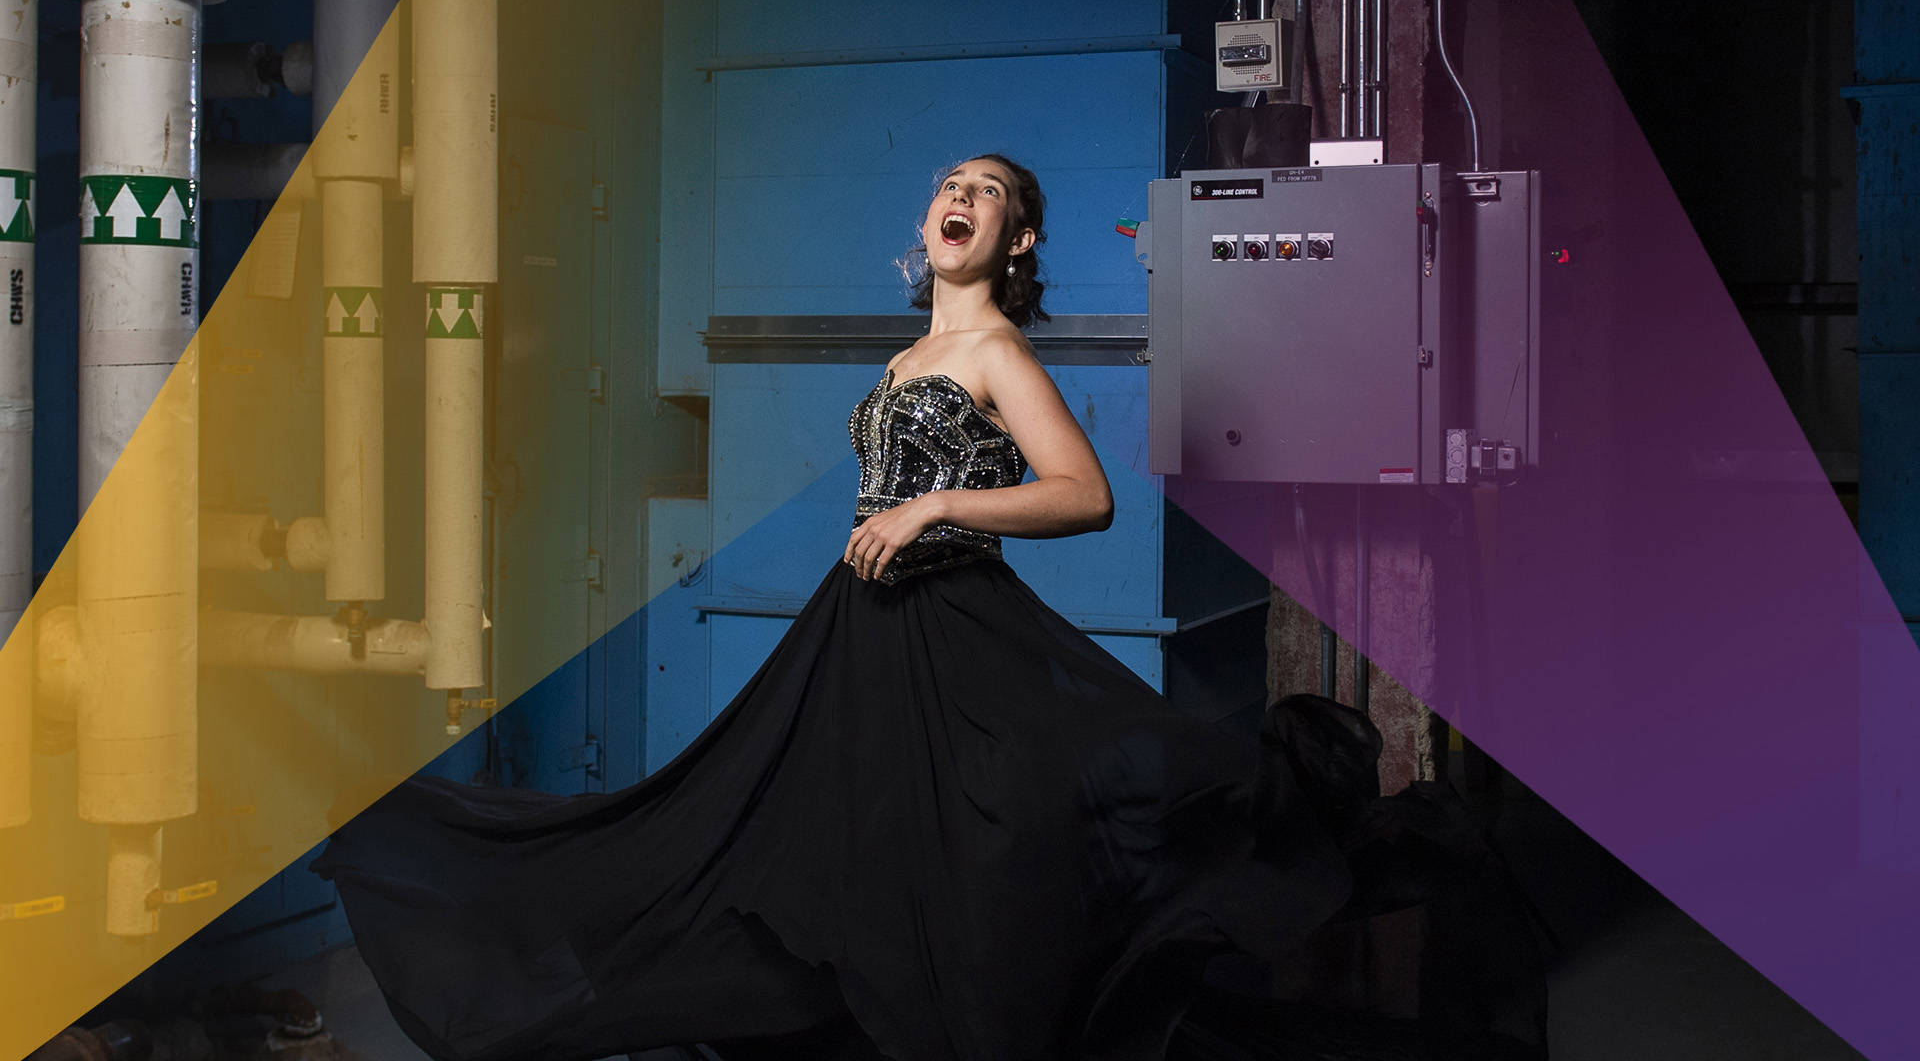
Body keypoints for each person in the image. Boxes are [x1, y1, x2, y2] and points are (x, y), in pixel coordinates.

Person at [311, 155, 1545, 1061]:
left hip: (960, 638)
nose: (961, 197)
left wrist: (937, 510)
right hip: (862, 643)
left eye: (991, 192)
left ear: (1014, 241)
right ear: (928, 226)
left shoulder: (998, 352)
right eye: (949, 185)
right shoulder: (904, 361)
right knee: (783, 844)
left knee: (992, 862)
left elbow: (1084, 497)